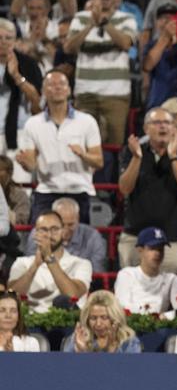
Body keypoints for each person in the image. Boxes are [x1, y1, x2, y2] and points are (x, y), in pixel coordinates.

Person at [118, 107, 177, 275]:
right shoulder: (132, 152)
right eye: (156, 122)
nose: (163, 126)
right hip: (135, 238)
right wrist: (136, 158)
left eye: (167, 122)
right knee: (132, 286)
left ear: (174, 128)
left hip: (172, 239)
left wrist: (174, 157)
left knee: (170, 286)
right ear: (146, 129)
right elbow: (125, 188)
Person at [17, 70, 102, 223]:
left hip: (80, 190)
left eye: (62, 84)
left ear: (69, 90)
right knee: (41, 235)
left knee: (78, 237)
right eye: (51, 84)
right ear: (43, 91)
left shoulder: (87, 121)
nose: (57, 87)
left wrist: (83, 154)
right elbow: (31, 166)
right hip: (46, 190)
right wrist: (25, 163)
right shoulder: (32, 124)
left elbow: (99, 161)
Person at [62, 0, 137, 145]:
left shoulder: (127, 19)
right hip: (85, 93)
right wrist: (90, 24)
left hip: (116, 95)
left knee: (114, 146)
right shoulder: (80, 18)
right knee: (82, 144)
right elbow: (68, 48)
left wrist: (104, 22)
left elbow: (125, 43)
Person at [8, 209, 91, 312]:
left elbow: (72, 296)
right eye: (43, 229)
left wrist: (49, 258)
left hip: (68, 320)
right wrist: (34, 266)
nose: (49, 235)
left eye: (54, 229)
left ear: (63, 232)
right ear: (35, 234)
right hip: (30, 319)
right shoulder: (21, 263)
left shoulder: (81, 264)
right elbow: (12, 298)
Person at [113, 226, 177, 317]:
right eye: (152, 248)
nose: (157, 253)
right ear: (140, 250)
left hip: (160, 325)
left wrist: (164, 317)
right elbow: (121, 309)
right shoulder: (126, 275)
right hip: (131, 324)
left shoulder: (171, 279)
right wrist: (156, 315)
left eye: (160, 249)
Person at [25, 197, 106, 272]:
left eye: (71, 225)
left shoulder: (92, 236)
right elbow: (31, 266)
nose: (65, 230)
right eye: (62, 225)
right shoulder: (38, 233)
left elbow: (96, 271)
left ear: (78, 218)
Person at [0, 19, 42, 152]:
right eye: (0, 38)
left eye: (8, 38)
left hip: (20, 132)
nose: (3, 42)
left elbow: (37, 100)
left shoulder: (29, 64)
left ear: (15, 41)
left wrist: (17, 76)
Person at [63, 290, 141, 353]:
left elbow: (130, 367)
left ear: (115, 318)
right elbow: (66, 366)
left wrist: (111, 351)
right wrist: (81, 351)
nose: (98, 324)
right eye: (93, 318)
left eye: (104, 318)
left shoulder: (129, 342)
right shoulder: (77, 339)